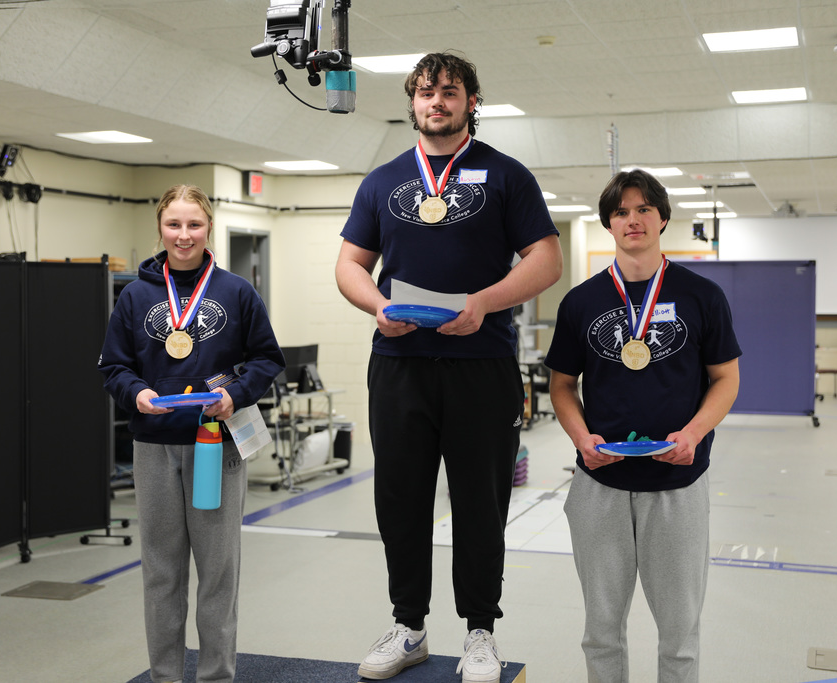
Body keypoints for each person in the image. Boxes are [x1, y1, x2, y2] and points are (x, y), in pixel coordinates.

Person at [335, 52, 563, 682]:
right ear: (412, 101)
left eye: (450, 91)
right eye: (426, 91)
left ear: (470, 102)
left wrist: (482, 304)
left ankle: (480, 633)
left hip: (480, 363)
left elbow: (545, 261)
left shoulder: (506, 176)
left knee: (480, 504)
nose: (437, 101)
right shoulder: (382, 181)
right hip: (400, 364)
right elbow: (349, 265)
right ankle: (408, 626)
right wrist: (379, 306)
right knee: (400, 499)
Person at [544, 169, 741, 683]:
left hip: (677, 486)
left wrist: (694, 433)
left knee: (679, 636)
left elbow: (726, 379)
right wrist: (581, 438)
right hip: (600, 486)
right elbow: (562, 386)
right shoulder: (581, 302)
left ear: (663, 218)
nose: (633, 219)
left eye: (644, 209)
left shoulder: (702, 296)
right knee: (601, 632)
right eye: (621, 211)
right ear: (609, 224)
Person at [98, 184, 284, 683]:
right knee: (161, 570)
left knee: (218, 571)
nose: (184, 235)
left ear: (208, 228)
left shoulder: (236, 291)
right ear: (160, 227)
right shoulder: (135, 296)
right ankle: (164, 675)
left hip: (214, 446)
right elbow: (113, 366)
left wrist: (236, 395)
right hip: (154, 449)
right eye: (174, 225)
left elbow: (268, 358)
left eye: (194, 224)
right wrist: (135, 393)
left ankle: (216, 675)